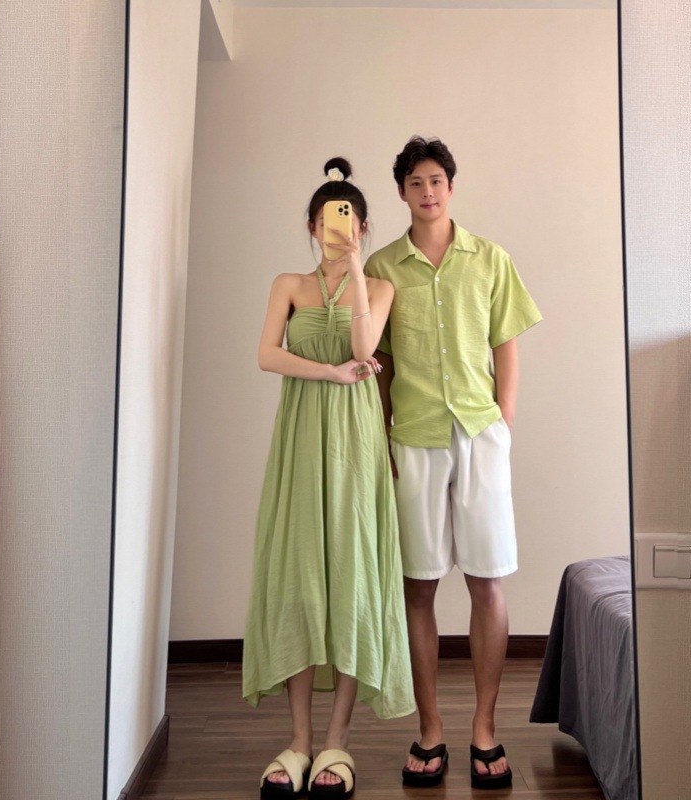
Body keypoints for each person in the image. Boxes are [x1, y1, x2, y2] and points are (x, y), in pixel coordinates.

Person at [365, 136, 543, 790]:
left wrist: (503, 422)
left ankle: (485, 729)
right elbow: (379, 363)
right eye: (415, 182)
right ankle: (431, 729)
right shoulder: (382, 267)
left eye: (436, 180)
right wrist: (382, 438)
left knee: (488, 581)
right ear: (402, 192)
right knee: (418, 585)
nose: (427, 191)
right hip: (413, 438)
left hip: (478, 433)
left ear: (451, 186)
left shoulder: (490, 259)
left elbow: (507, 345)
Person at [242, 157, 415, 800]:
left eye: (347, 221)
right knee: (300, 578)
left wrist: (358, 271)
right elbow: (267, 354)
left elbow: (366, 351)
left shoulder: (380, 287)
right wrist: (327, 372)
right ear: (312, 226)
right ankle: (298, 742)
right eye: (325, 220)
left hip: (355, 442)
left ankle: (337, 742)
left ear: (362, 227)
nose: (335, 229)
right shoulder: (288, 283)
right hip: (301, 435)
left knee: (350, 577)